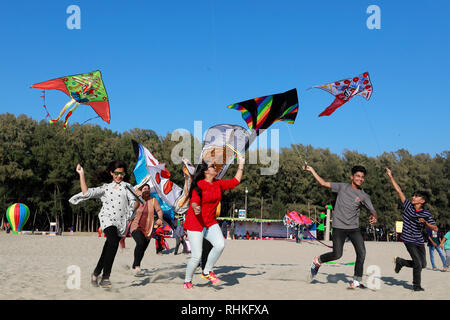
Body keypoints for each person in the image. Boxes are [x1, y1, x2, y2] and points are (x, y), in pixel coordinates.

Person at [303, 165, 378, 289]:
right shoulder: (342, 187)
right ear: (352, 177)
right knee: (337, 254)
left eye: (362, 177)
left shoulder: (364, 196)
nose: (360, 179)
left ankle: (356, 282)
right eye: (358, 176)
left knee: (362, 253)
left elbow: (373, 211)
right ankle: (318, 261)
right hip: (339, 227)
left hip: (354, 228)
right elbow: (322, 183)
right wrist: (312, 170)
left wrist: (374, 217)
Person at [69, 161, 136, 288]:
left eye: (122, 173)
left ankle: (95, 273)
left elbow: (134, 205)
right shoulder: (105, 187)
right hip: (107, 219)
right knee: (113, 243)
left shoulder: (128, 187)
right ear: (111, 173)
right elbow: (86, 193)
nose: (119, 176)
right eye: (116, 173)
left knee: (108, 249)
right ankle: (105, 277)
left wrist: (137, 200)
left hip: (121, 222)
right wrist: (81, 174)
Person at [183, 156, 244, 289]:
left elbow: (236, 181)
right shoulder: (199, 185)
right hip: (195, 223)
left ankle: (207, 271)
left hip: (210, 222)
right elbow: (194, 201)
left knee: (220, 244)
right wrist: (195, 207)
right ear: (205, 171)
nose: (215, 168)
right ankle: (187, 281)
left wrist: (241, 164)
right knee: (197, 256)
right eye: (212, 166)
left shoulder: (218, 183)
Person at [386, 168, 438, 291]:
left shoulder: (426, 214)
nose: (413, 197)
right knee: (418, 264)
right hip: (408, 239)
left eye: (416, 196)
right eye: (413, 195)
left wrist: (425, 223)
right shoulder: (408, 206)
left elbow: (435, 227)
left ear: (422, 201)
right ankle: (416, 286)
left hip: (419, 241)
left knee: (423, 265)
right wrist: (391, 176)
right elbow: (399, 191)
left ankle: (401, 262)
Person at [130, 183, 164, 276]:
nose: (146, 190)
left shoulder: (153, 200)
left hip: (148, 229)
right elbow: (134, 207)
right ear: (141, 190)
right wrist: (137, 197)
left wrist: (160, 218)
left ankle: (134, 266)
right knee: (140, 243)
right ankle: (137, 267)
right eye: (144, 189)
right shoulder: (138, 200)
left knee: (142, 249)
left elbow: (159, 211)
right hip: (136, 226)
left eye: (148, 189)